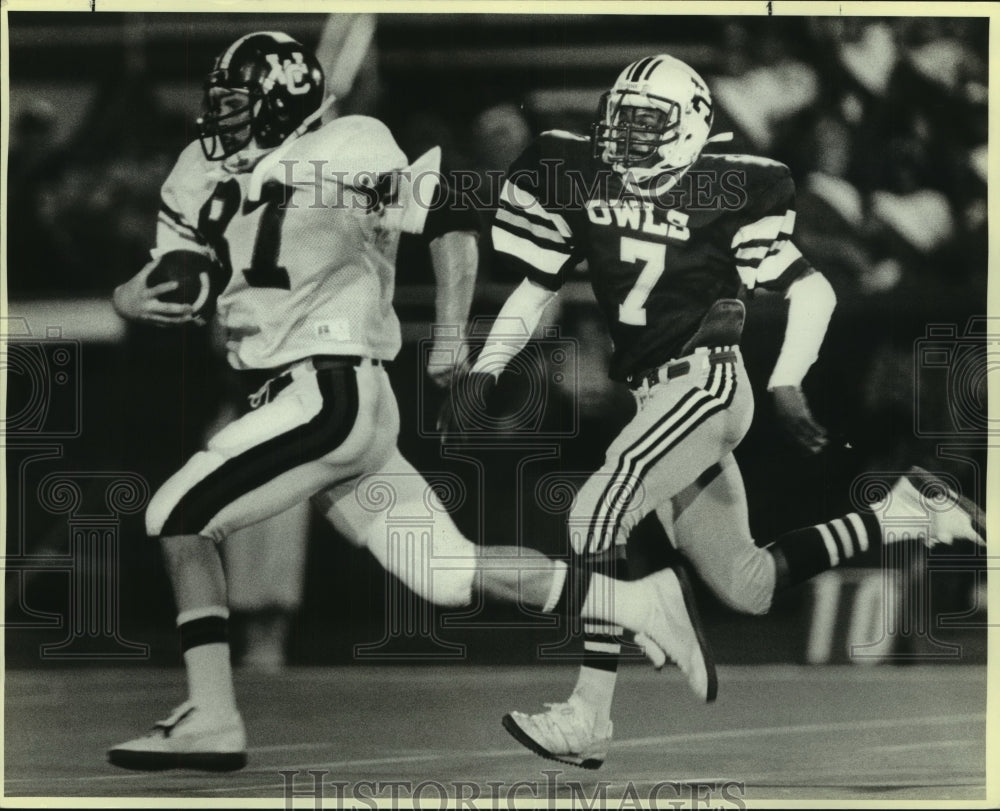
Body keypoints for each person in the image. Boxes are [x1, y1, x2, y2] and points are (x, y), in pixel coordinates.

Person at [105, 33, 715, 772]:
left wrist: (451, 332)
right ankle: (639, 601)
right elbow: (167, 274)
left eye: (237, 105)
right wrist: (132, 294)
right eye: (218, 105)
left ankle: (212, 714)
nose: (221, 120)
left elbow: (450, 220)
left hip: (328, 389)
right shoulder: (199, 170)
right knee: (449, 572)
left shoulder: (350, 143)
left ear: (281, 104)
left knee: (175, 514)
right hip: (310, 404)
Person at [456, 54, 985, 769]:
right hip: (655, 396)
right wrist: (484, 368)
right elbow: (535, 284)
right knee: (748, 584)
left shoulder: (728, 186)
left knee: (592, 513)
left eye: (649, 122)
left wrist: (787, 379)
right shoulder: (577, 174)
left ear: (689, 127)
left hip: (704, 385)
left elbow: (815, 290)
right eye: (623, 119)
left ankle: (589, 713)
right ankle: (904, 514)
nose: (629, 135)